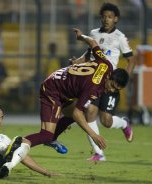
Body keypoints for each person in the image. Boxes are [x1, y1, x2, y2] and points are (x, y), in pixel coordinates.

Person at [7, 28, 129, 169]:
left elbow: (93, 42)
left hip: (62, 83)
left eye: (116, 89)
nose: (111, 90)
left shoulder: (106, 64)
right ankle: (16, 145)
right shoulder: (93, 88)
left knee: (73, 115)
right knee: (46, 134)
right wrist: (95, 135)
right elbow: (78, 114)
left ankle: (52, 138)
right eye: (112, 85)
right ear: (109, 76)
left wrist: (81, 36)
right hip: (53, 90)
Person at [47, 2, 135, 161]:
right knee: (89, 113)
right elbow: (89, 54)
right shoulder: (94, 33)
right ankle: (98, 153)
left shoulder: (120, 37)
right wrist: (77, 63)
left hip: (110, 83)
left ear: (116, 19)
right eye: (104, 16)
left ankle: (123, 124)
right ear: (101, 18)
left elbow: (131, 60)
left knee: (106, 121)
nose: (106, 19)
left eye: (110, 17)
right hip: (94, 81)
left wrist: (122, 80)